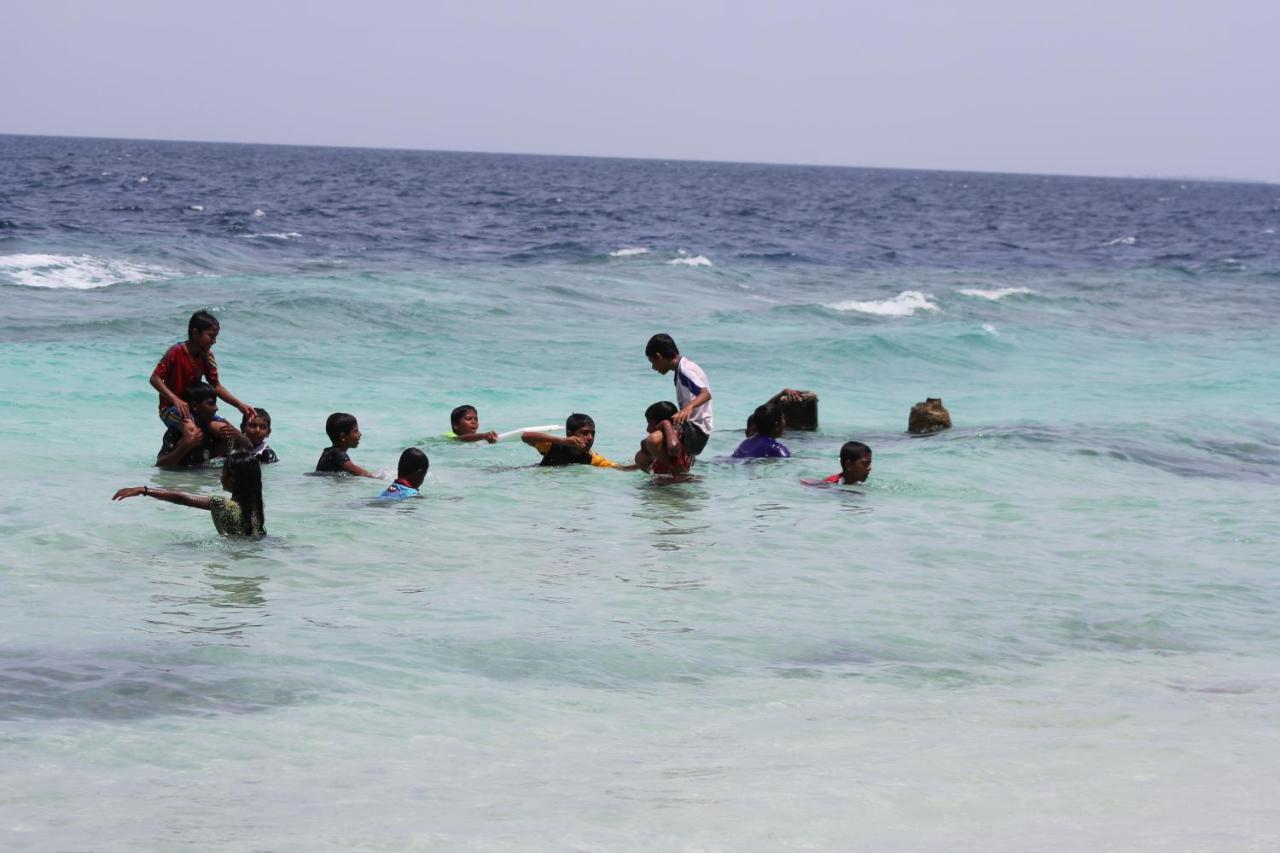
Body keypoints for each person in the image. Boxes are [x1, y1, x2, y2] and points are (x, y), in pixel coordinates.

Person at [113, 451, 266, 536]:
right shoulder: (255, 509)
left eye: (223, 472)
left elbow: (181, 498)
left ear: (231, 480)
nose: (220, 476)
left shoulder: (222, 504)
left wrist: (144, 490)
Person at [151, 310, 254, 434]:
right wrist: (175, 399)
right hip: (171, 409)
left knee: (227, 432)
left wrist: (239, 405)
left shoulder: (207, 356)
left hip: (198, 410)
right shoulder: (175, 352)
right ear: (195, 333)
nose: (214, 341)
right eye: (211, 336)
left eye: (215, 337)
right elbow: (155, 379)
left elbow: (215, 385)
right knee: (192, 431)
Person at [645, 333, 712, 460]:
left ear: (658, 357)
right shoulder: (682, 368)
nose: (653, 367)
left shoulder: (686, 370)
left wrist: (689, 407)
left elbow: (706, 393)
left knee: (653, 440)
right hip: (692, 430)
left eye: (652, 362)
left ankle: (676, 469)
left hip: (697, 433)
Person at [156, 382, 249, 467]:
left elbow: (249, 447)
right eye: (211, 404)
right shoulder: (177, 431)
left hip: (201, 479)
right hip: (179, 481)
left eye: (215, 404)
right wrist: (185, 446)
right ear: (195, 406)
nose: (216, 408)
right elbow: (160, 465)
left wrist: (237, 435)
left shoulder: (211, 430)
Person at [522, 414, 624, 468]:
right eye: (584, 433)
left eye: (593, 433)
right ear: (569, 434)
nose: (590, 438)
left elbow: (619, 468)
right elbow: (525, 436)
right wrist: (563, 441)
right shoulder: (552, 446)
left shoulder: (592, 459)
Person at [635, 400, 690, 474]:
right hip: (667, 481)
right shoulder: (673, 437)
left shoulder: (674, 438)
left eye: (650, 423)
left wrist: (666, 424)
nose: (647, 429)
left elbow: (673, 450)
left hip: (668, 483)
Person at [316, 412, 376, 477]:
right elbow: (361, 473)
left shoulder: (327, 452)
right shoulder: (339, 455)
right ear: (343, 437)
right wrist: (378, 477)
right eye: (355, 431)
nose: (360, 434)